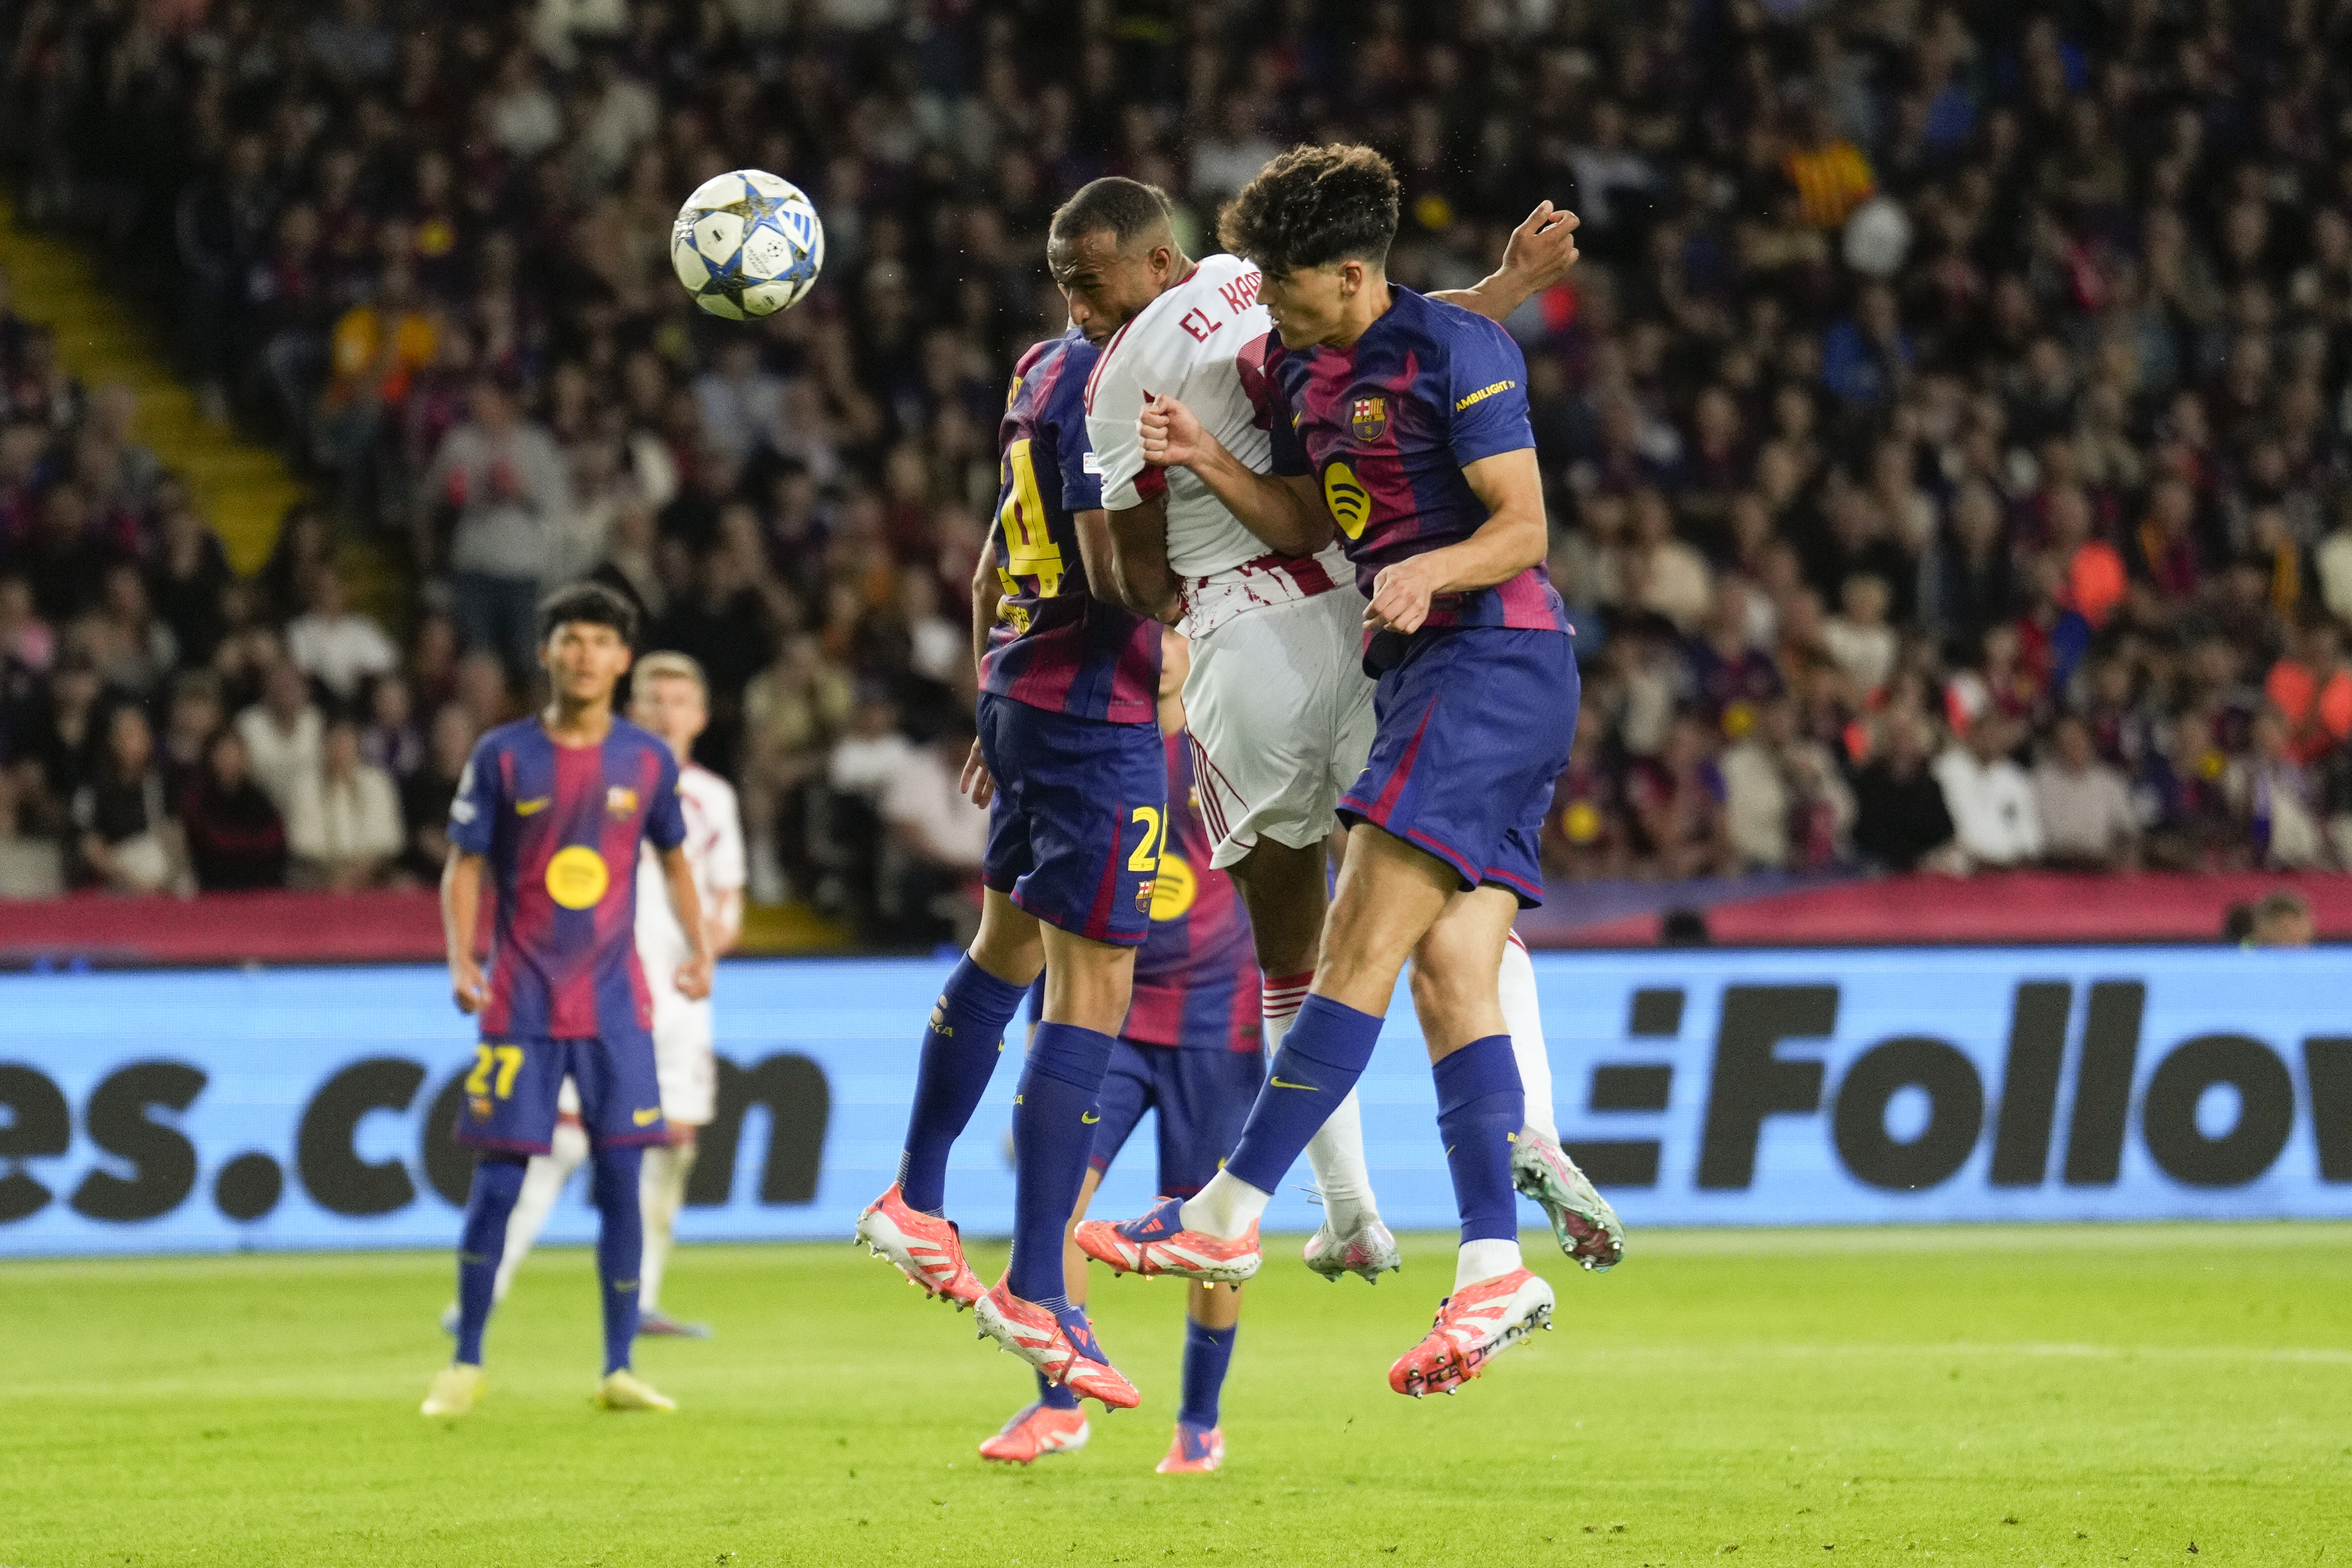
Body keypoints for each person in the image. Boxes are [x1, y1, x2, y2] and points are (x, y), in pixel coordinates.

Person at [1078, 145, 1623, 1398]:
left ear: (1349, 269)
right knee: (1447, 973)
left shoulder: (1458, 354)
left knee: (1353, 956)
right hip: (1427, 677)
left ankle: (1230, 1209)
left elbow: (1524, 527)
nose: (1259, 294)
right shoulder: (1302, 361)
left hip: (1489, 662)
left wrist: (1434, 569)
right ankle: (1493, 1265)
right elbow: (1305, 518)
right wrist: (1210, 463)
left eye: (1281, 276)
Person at [853, 283, 1161, 1413]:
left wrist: (992, 704)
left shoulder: (1039, 369)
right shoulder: (1123, 384)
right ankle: (1039, 1288)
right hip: (1098, 715)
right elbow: (1124, 573)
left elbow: (990, 571)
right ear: (1154, 265)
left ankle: (917, 1197)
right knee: (1095, 989)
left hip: (1026, 691)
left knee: (1005, 953)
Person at [420, 582, 714, 1419]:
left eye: (600, 642)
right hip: (520, 1001)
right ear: (545, 653)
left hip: (618, 1007)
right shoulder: (504, 755)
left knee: (623, 1182)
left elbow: (674, 861)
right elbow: (465, 863)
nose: (584, 655)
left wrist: (698, 951)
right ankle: (465, 1362)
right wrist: (460, 955)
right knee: (499, 1184)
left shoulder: (647, 762)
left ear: (621, 659)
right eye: (570, 640)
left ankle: (618, 1367)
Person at [982, 628, 1261, 1473]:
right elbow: (1051, 899)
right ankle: (1057, 1405)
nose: (1160, 645)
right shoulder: (1093, 750)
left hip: (1216, 1025)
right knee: (1059, 1201)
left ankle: (1199, 1423)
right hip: (1110, 1020)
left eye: (1172, 626)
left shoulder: (1236, 751)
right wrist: (1037, 1046)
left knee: (1207, 1233)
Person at [457, 651, 746, 1341]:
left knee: (670, 1147)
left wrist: (708, 950)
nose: (665, 711)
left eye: (680, 699)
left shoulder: (714, 800)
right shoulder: (595, 778)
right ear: (630, 706)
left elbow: (728, 900)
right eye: (652, 698)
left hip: (675, 1004)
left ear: (700, 716)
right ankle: (482, 1292)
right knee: (546, 1146)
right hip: (588, 988)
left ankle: (639, 1300)